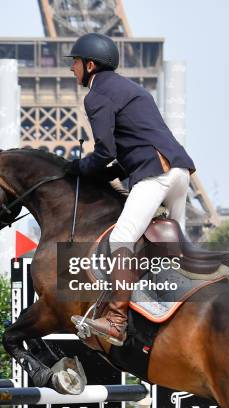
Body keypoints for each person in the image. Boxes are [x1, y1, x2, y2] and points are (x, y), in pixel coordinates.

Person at [65, 33, 196, 346]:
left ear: (90, 64)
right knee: (171, 249)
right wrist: (109, 171)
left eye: (75, 63)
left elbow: (105, 150)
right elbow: (134, 144)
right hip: (179, 172)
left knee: (122, 238)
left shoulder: (96, 95)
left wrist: (79, 168)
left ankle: (116, 320)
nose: (72, 69)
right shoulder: (135, 89)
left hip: (154, 176)